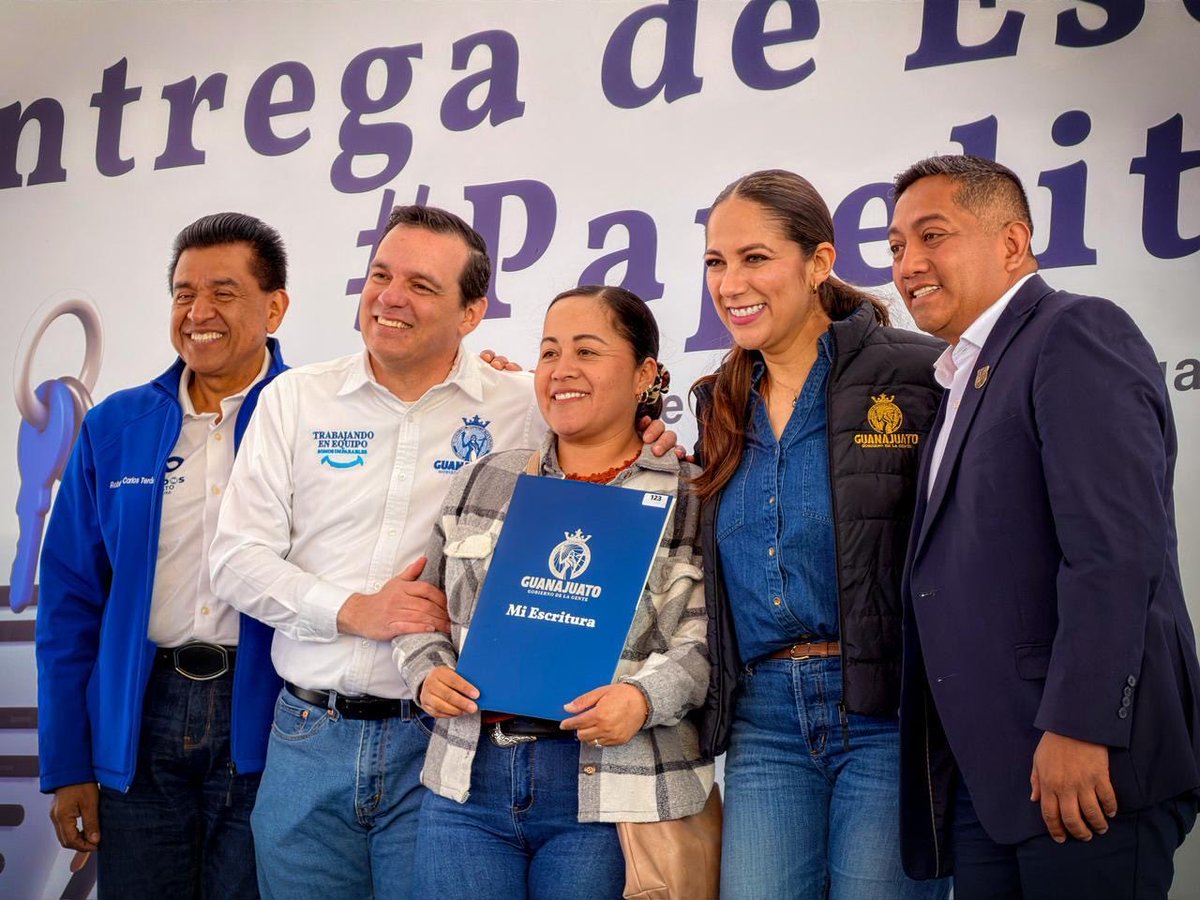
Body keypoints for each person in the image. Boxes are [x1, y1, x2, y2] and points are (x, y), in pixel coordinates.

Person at [209, 208, 678, 899]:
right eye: (380, 275)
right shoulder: (295, 399)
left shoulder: (523, 401)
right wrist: (354, 610)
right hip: (311, 731)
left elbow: (603, 440)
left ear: (472, 311)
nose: (390, 297)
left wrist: (653, 443)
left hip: (440, 743)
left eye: (422, 286)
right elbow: (234, 561)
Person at [889, 154, 1200, 899]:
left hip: (1081, 765)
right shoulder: (962, 375)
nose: (909, 264)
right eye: (896, 246)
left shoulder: (1074, 332)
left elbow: (1115, 552)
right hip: (996, 782)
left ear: (1012, 242)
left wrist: (1083, 726)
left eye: (933, 235)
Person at [395, 285, 712, 899]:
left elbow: (704, 642)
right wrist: (426, 672)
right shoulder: (485, 478)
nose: (562, 371)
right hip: (467, 780)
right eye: (549, 352)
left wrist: (642, 701)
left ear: (645, 373)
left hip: (607, 791)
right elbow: (419, 609)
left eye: (588, 352)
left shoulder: (693, 493)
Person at [691, 169, 950, 899]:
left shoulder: (918, 373)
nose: (729, 282)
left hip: (884, 713)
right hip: (763, 720)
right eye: (716, 261)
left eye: (755, 257)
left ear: (819, 263)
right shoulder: (719, 403)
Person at [36, 212, 291, 898]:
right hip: (142, 718)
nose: (198, 312)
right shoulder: (116, 423)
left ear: (276, 307)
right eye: (183, 293)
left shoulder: (313, 414)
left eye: (224, 293)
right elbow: (68, 604)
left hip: (271, 720)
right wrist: (67, 763)